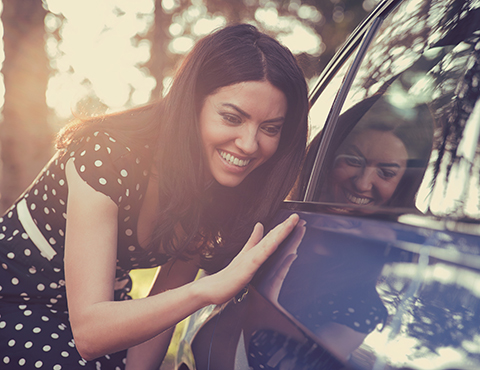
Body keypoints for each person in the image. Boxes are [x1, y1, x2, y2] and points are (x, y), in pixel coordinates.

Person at [0, 24, 308, 370]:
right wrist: (209, 290)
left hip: (102, 311)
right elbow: (90, 332)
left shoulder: (217, 189)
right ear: (192, 105)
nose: (250, 144)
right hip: (13, 297)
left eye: (270, 128)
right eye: (232, 117)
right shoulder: (107, 154)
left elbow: (163, 303)